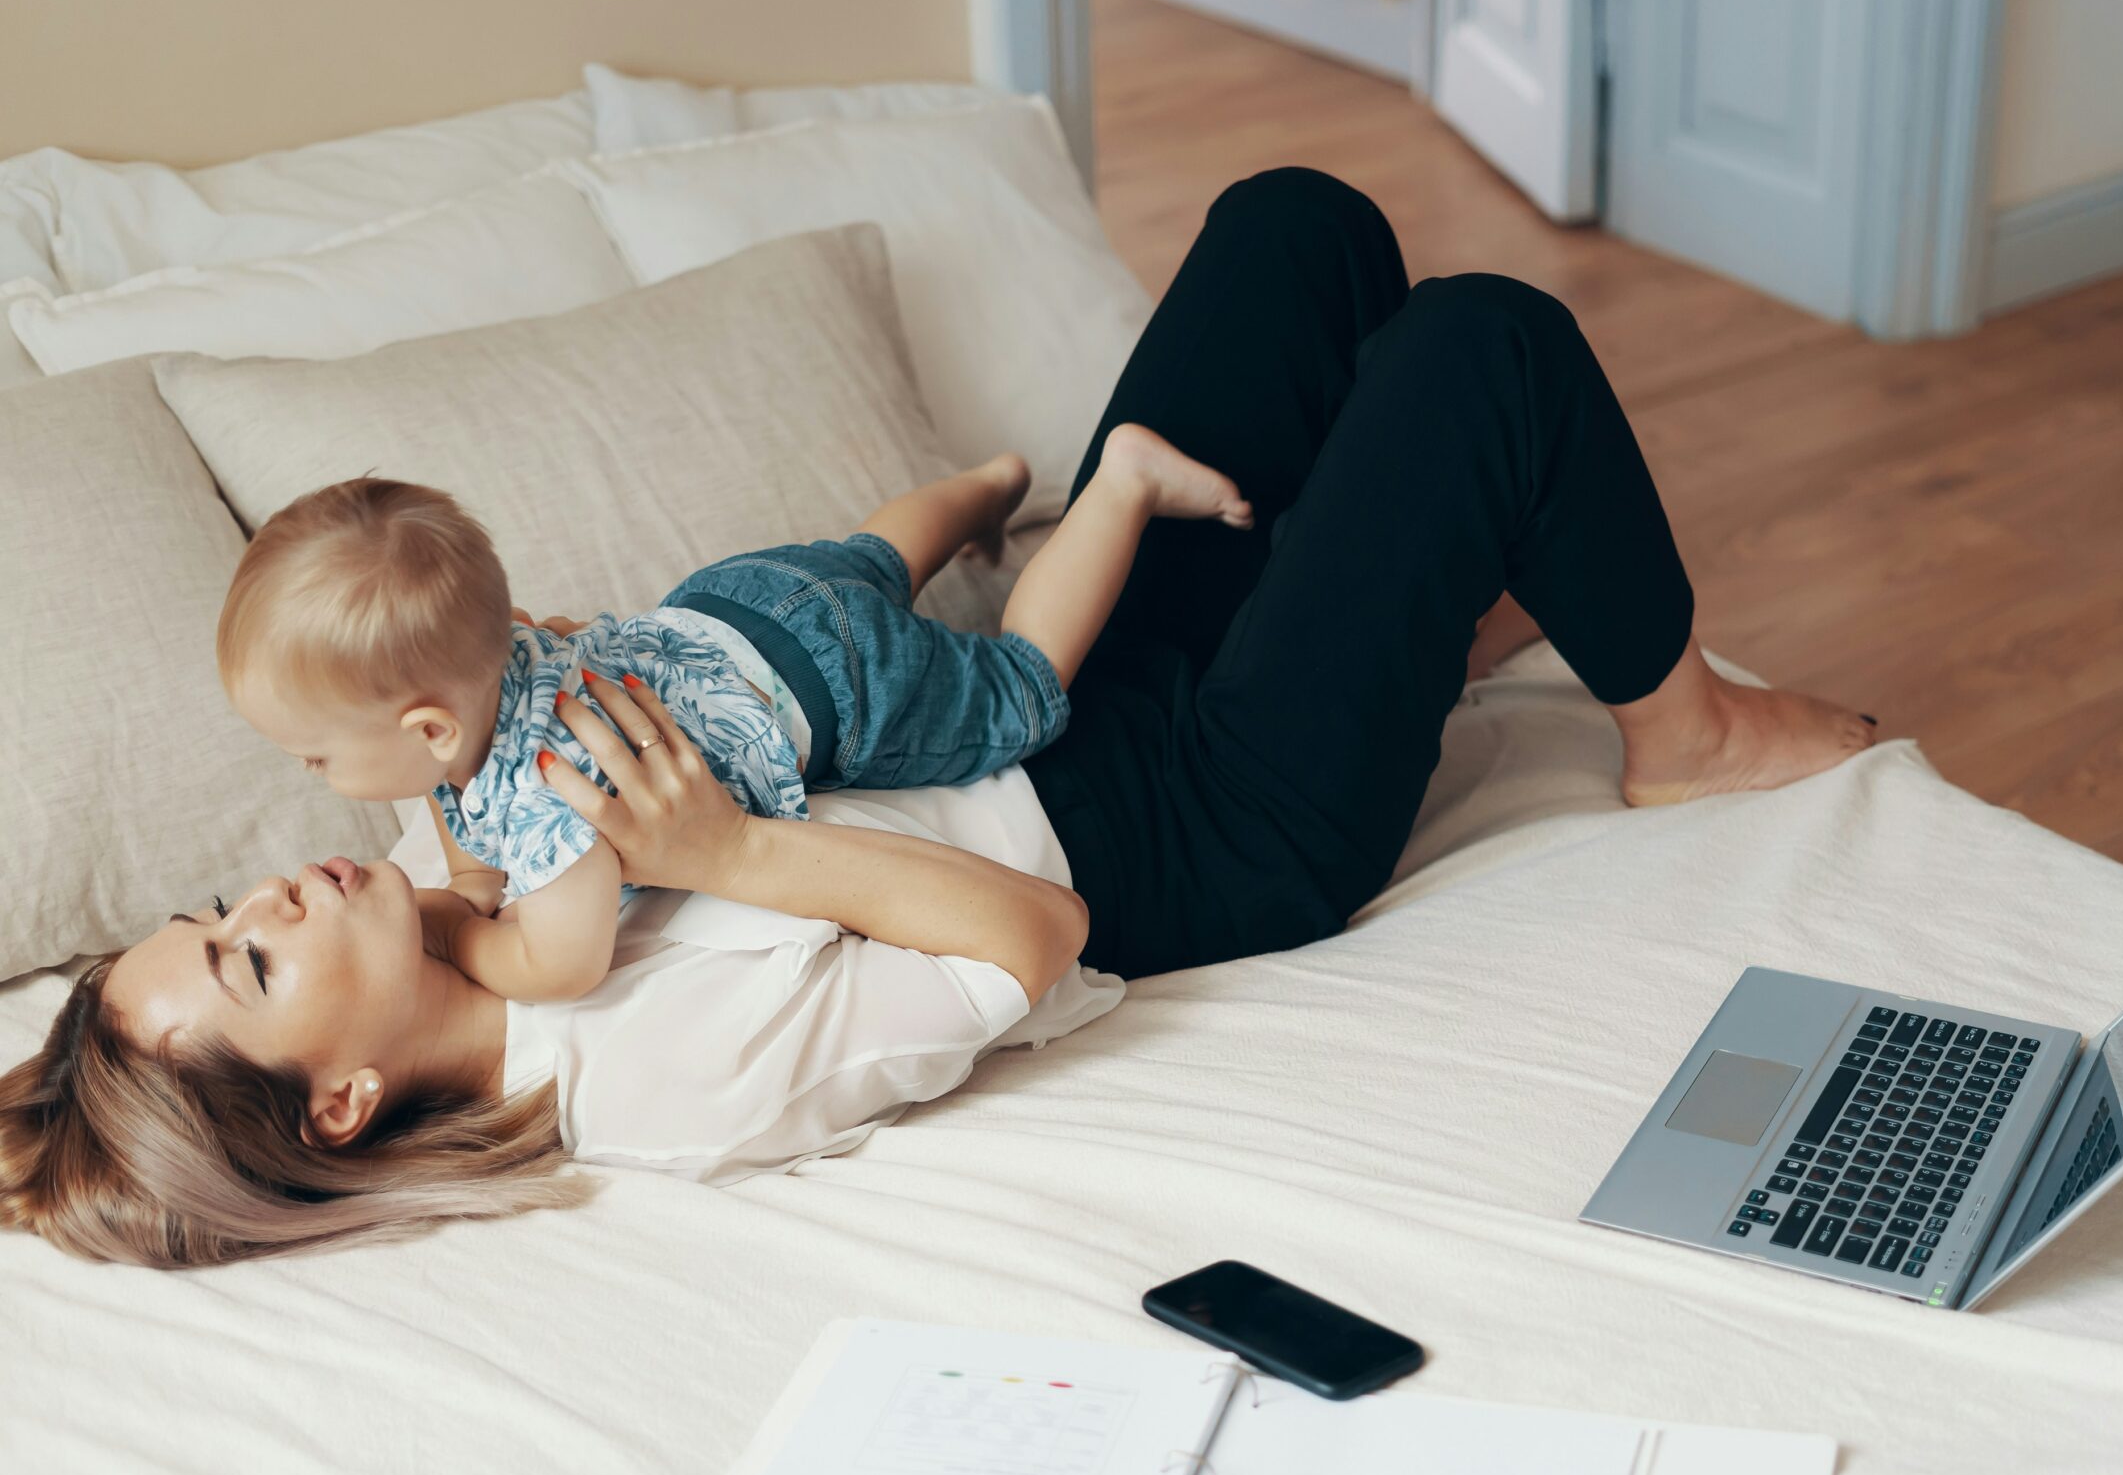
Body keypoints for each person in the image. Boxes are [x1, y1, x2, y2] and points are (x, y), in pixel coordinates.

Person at [0, 168, 1875, 1268]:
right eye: (248, 960)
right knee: (1479, 350)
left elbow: (548, 675)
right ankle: (1680, 720)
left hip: (1037, 708)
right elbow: (1033, 936)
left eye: (221, 909)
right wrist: (728, 854)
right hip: (1193, 839)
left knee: (1294, 224)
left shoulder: (451, 849)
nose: (272, 895)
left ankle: (1412, 613)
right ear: (335, 1100)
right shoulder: (636, 1088)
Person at [217, 428, 1251, 1003]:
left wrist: (461, 927)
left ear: (432, 730)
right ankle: (988, 485)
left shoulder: (558, 814)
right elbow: (462, 781)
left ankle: (1120, 485)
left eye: (313, 757)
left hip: (847, 689)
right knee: (873, 557)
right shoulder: (500, 649)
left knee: (1023, 688)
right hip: (731, 602)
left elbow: (560, 963)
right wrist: (473, 870)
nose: (310, 774)